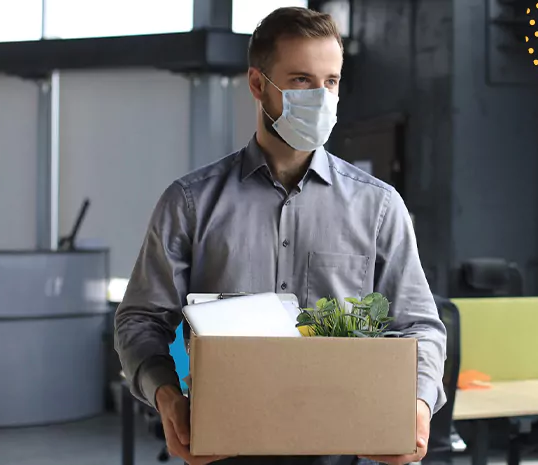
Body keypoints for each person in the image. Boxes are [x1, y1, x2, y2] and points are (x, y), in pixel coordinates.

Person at [114, 7, 446, 465]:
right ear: (257, 85)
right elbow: (140, 321)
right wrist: (168, 398)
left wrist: (418, 405)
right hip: (223, 448)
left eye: (330, 82)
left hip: (343, 449)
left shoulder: (379, 206)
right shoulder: (190, 202)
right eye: (300, 80)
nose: (321, 96)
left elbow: (419, 325)